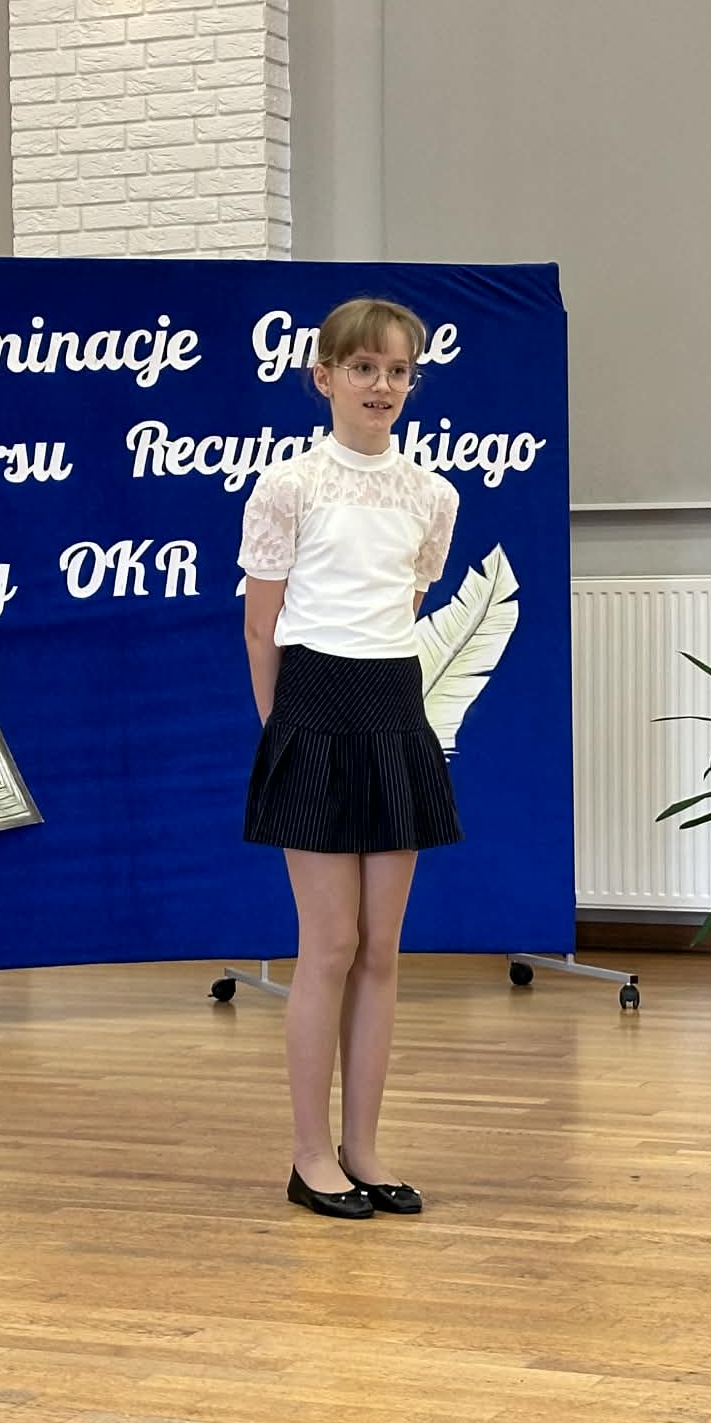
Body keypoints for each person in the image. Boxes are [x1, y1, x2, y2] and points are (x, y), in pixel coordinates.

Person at [237, 296, 463, 1221]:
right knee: (327, 945)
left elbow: (404, 606)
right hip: (314, 709)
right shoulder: (288, 486)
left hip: (393, 709)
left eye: (398, 371)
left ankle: (363, 1149)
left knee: (380, 949)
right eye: (364, 368)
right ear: (324, 377)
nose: (383, 385)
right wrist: (283, 731)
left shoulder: (433, 496)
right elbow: (262, 626)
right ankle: (308, 1155)